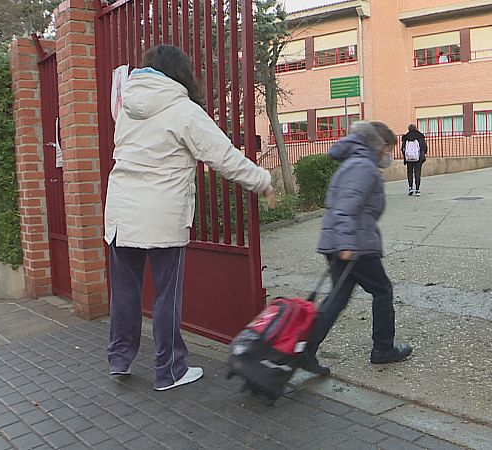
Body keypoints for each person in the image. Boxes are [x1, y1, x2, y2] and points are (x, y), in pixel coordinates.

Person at [104, 45, 275, 391]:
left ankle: (119, 359)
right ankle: (168, 370)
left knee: (124, 292)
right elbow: (223, 156)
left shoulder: (126, 106)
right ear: (181, 73)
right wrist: (263, 182)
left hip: (120, 214)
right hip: (162, 215)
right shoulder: (183, 110)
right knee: (166, 294)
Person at [300, 121, 413, 376]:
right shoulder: (363, 167)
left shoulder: (355, 162)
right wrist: (347, 244)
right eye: (390, 149)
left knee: (337, 299)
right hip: (354, 245)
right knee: (382, 290)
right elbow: (346, 207)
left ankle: (305, 351)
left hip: (344, 241)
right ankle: (383, 349)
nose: (390, 156)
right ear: (381, 145)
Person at [401, 124, 427, 196]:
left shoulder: (406, 137)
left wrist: (405, 155)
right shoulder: (420, 136)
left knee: (409, 172)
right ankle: (417, 189)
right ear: (416, 128)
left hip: (409, 158)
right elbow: (424, 147)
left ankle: (410, 188)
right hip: (418, 158)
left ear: (408, 129)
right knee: (417, 173)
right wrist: (423, 153)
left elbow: (402, 148)